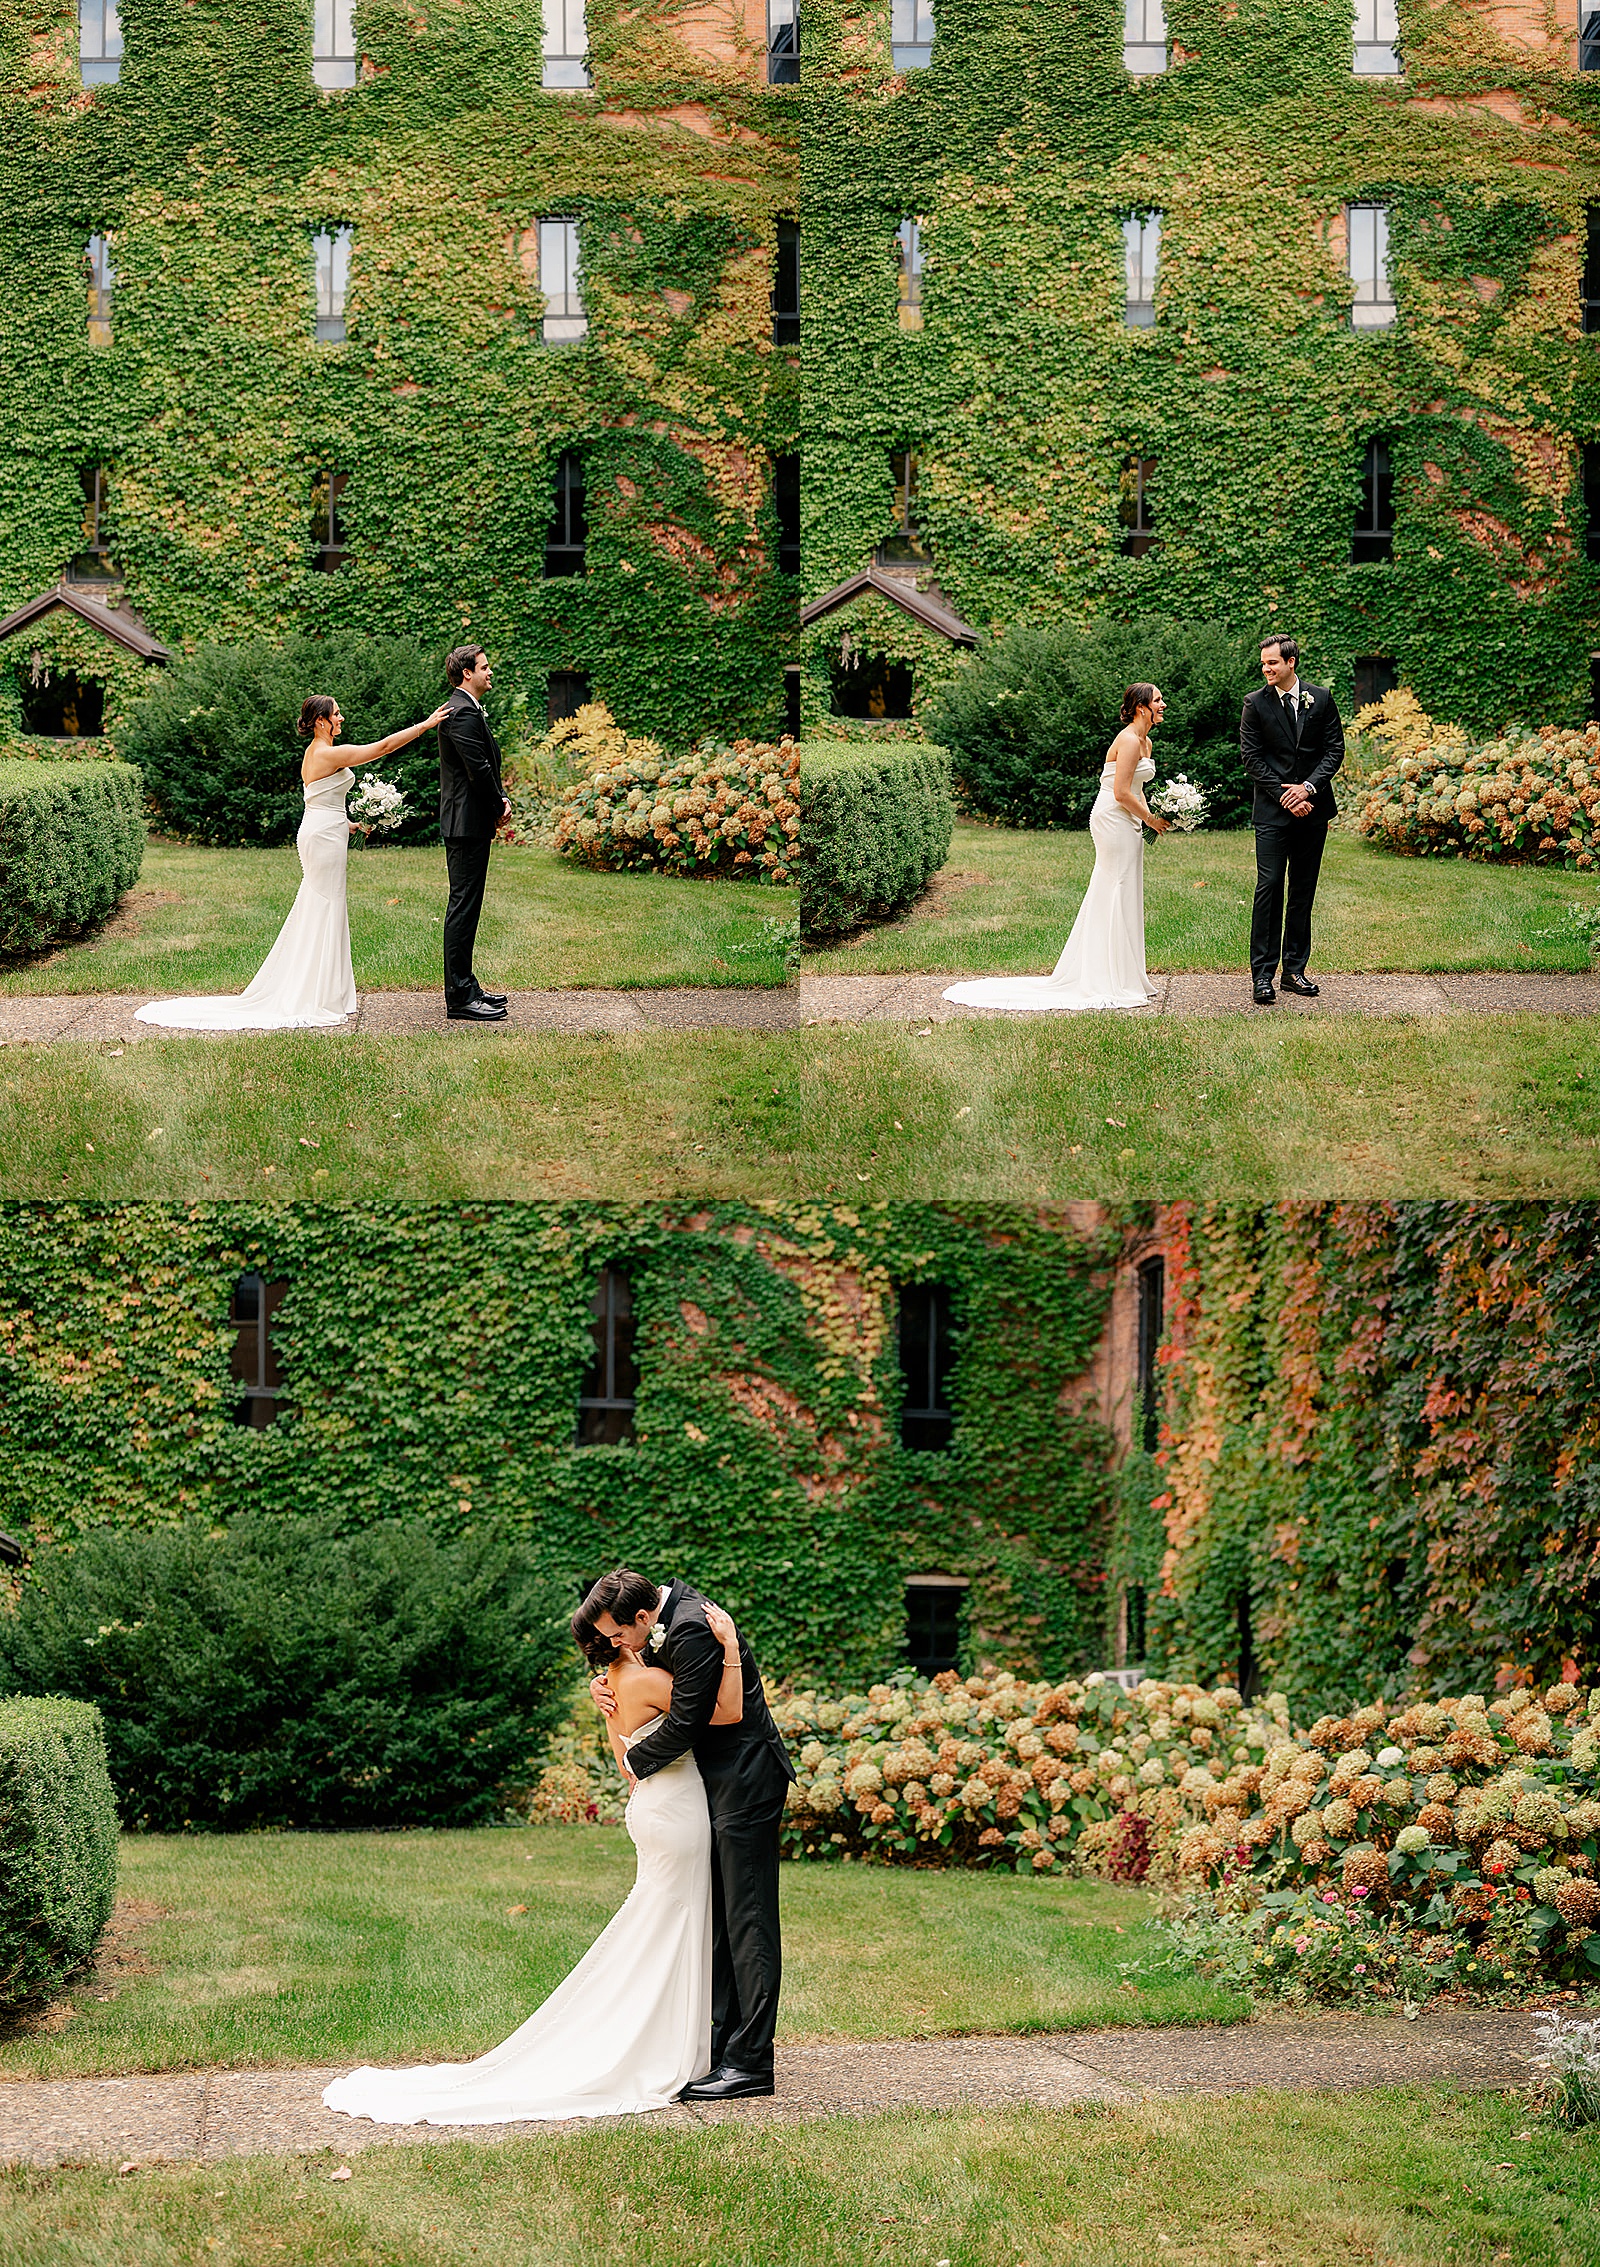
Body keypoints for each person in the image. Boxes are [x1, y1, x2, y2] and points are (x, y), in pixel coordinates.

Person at [322, 1591, 749, 2125]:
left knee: (661, 1926)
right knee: (674, 1925)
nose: (623, 1639)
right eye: (614, 1636)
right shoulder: (643, 1680)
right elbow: (723, 1712)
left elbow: (626, 1765)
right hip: (676, 1812)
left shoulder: (616, 1684)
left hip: (651, 1809)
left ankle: (667, 2039)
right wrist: (730, 1648)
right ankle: (667, 2047)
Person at [583, 1571, 796, 2101]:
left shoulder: (694, 1628)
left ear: (642, 1617)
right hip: (713, 1786)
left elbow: (690, 1722)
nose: (616, 1645)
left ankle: (750, 2064)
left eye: (618, 1635)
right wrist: (609, 1688)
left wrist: (634, 1759)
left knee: (748, 1921)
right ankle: (723, 2045)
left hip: (745, 1780)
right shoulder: (663, 1626)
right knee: (724, 1919)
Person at [134, 693, 446, 1032]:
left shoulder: (315, 752)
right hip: (322, 838)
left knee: (325, 905)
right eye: (336, 714)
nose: (341, 719)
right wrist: (424, 726)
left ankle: (329, 991)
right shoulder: (326, 753)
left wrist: (350, 823)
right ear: (321, 721)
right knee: (322, 906)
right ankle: (314, 995)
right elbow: (382, 748)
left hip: (326, 830)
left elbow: (322, 801)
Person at [941, 684, 1170, 1012]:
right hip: (1112, 819)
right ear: (1140, 706)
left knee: (1126, 888)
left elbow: (1135, 787)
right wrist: (1149, 818)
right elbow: (1120, 792)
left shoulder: (1146, 741)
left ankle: (1126, 974)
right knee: (1113, 887)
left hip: (1130, 820)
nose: (1163, 704)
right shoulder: (1130, 741)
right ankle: (1105, 978)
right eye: (1158, 700)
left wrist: (1155, 816)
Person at [1240, 634, 1344, 1005]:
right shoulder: (1254, 704)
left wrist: (1309, 788)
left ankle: (1294, 971)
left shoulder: (1322, 698)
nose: (1266, 669)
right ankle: (1263, 975)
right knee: (1269, 888)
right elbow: (1252, 758)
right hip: (1272, 812)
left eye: (1273, 663)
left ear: (1291, 663)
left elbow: (1334, 750)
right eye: (1264, 664)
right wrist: (1287, 795)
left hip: (1313, 810)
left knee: (1302, 891)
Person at [438, 645, 511, 1022]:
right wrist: (499, 801)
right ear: (467, 673)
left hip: (469, 823)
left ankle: (467, 985)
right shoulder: (462, 712)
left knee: (468, 906)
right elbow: (478, 769)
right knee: (463, 908)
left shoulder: (467, 708)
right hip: (465, 824)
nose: (490, 672)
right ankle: (460, 997)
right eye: (484, 667)